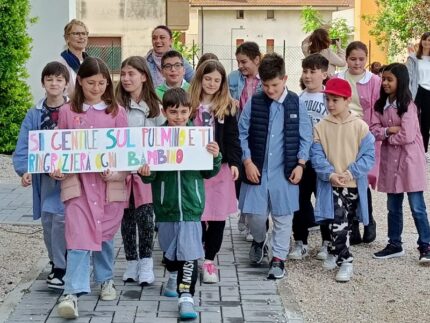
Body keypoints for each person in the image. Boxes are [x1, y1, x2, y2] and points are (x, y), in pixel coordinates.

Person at [138, 88, 222, 320]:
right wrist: (145, 171)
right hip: (166, 208)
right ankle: (173, 277)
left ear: (190, 112)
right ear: (165, 111)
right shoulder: (156, 138)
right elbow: (150, 175)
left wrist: (215, 156)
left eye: (183, 112)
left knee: (190, 252)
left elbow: (208, 172)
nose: (179, 117)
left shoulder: (199, 136)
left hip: (192, 207)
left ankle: (187, 298)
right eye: (173, 112)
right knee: (171, 251)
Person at [55, 57, 128, 319]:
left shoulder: (117, 112)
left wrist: (117, 172)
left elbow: (126, 152)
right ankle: (71, 292)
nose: (96, 88)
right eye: (90, 83)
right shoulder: (67, 112)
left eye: (101, 83)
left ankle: (105, 278)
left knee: (105, 235)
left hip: (108, 187)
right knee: (77, 237)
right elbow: (58, 150)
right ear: (80, 82)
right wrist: (57, 168)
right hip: (79, 186)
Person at [238, 53, 312, 279]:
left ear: (285, 79)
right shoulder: (255, 101)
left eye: (275, 85)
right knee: (255, 217)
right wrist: (247, 161)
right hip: (257, 170)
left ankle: (279, 259)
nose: (270, 90)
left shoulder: (296, 103)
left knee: (283, 217)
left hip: (285, 172)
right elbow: (242, 132)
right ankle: (260, 240)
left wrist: (300, 164)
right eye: (266, 85)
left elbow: (305, 136)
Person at [311, 78, 375, 282]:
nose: (330, 104)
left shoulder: (360, 127)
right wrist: (329, 174)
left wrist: (350, 173)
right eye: (327, 99)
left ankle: (345, 260)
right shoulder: (321, 126)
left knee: (341, 222)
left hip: (352, 184)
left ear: (347, 100)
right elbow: (316, 155)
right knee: (336, 221)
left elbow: (368, 156)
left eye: (335, 100)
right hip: (330, 184)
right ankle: (338, 253)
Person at [13, 62, 69, 289]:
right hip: (44, 178)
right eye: (50, 79)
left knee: (62, 219)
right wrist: (25, 169)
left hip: (69, 176)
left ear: (66, 84)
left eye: (59, 80)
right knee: (48, 221)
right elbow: (24, 145)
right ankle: (56, 260)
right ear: (43, 83)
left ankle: (61, 267)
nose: (54, 84)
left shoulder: (73, 110)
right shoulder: (34, 113)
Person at [370, 63, 430, 263]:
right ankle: (394, 243)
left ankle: (425, 244)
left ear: (400, 81)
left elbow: (408, 134)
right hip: (391, 163)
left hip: (409, 161)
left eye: (389, 79)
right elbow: (373, 130)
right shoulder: (380, 105)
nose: (385, 83)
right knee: (393, 206)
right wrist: (389, 131)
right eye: (383, 79)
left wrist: (388, 136)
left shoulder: (409, 106)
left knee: (417, 206)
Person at [189, 60, 241, 283]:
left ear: (222, 84)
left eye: (216, 80)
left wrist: (235, 162)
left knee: (218, 217)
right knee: (197, 214)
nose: (211, 83)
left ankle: (210, 260)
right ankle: (196, 252)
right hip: (194, 171)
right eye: (207, 78)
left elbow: (232, 137)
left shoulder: (227, 107)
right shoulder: (188, 104)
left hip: (219, 170)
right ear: (200, 79)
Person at [116, 56, 165, 285]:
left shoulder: (156, 107)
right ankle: (131, 262)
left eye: (131, 74)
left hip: (146, 173)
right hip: (121, 173)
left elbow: (166, 138)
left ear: (144, 77)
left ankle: (146, 263)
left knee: (146, 219)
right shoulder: (115, 106)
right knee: (126, 220)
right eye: (123, 74)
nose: (126, 78)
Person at [334, 41, 381, 245]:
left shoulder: (374, 81)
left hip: (364, 134)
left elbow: (377, 109)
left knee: (361, 177)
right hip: (342, 133)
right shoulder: (338, 78)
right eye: (353, 59)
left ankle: (368, 221)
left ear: (367, 59)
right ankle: (351, 224)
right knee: (346, 179)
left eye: (361, 59)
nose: (357, 63)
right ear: (346, 59)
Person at [289, 54, 332, 261]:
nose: (308, 76)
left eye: (313, 71)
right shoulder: (298, 99)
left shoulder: (329, 99)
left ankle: (327, 241)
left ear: (324, 74)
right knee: (300, 200)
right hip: (303, 159)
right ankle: (300, 241)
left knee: (324, 201)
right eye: (305, 71)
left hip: (323, 158)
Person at [228, 41, 263, 242]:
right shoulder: (233, 78)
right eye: (238, 62)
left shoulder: (264, 78)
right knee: (239, 178)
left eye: (244, 62)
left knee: (254, 178)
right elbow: (223, 96)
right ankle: (244, 210)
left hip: (257, 132)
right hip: (238, 132)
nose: (240, 66)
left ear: (256, 59)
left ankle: (251, 219)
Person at [406, 32, 430, 160]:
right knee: (414, 120)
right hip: (417, 91)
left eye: (429, 40)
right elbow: (408, 77)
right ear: (421, 42)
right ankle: (414, 148)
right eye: (424, 40)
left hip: (429, 92)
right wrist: (409, 94)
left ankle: (424, 150)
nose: (426, 42)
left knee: (426, 123)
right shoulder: (413, 58)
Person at [58, 19, 89, 96]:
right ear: (67, 38)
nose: (81, 37)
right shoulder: (60, 64)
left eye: (84, 33)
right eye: (76, 34)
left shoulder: (90, 62)